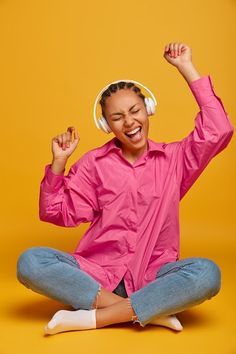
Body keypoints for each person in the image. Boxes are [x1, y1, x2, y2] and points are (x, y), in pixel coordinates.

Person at [16, 42, 234, 336]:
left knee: (207, 274)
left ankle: (94, 318)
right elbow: (54, 212)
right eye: (118, 118)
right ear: (107, 125)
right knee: (30, 262)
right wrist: (58, 164)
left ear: (149, 109)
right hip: (97, 276)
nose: (130, 122)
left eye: (135, 111)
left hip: (153, 276)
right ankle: (146, 311)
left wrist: (186, 67)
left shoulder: (174, 160)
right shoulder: (94, 164)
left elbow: (218, 129)